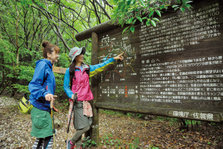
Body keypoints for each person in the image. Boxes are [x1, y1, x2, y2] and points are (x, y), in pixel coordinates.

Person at [64, 47, 124, 149]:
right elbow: (65, 86)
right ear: (75, 57)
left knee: (86, 125)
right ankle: (71, 142)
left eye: (82, 53)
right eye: (80, 54)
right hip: (77, 101)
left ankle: (76, 145)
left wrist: (113, 59)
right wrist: (71, 95)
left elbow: (100, 66)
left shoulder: (87, 68)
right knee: (84, 127)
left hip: (87, 101)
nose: (82, 55)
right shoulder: (69, 71)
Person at [29, 41, 60, 149]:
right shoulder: (43, 65)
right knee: (47, 137)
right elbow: (34, 85)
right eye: (56, 53)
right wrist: (45, 93)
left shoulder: (48, 67)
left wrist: (50, 102)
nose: (57, 56)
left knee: (41, 139)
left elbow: (46, 87)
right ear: (48, 54)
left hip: (44, 107)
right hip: (39, 108)